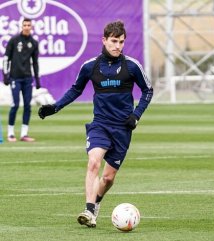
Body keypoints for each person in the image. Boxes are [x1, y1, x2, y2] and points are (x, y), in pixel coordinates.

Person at [38, 20, 153, 228]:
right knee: (93, 162)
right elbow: (75, 90)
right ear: (104, 40)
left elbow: (148, 90)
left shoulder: (132, 66)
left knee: (108, 179)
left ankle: (96, 203)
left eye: (121, 42)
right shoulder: (91, 66)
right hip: (100, 124)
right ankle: (89, 211)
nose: (118, 46)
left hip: (123, 129)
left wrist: (136, 115)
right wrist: (55, 107)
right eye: (114, 41)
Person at [2, 18, 41, 142]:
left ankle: (24, 134)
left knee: (28, 106)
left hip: (27, 78)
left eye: (29, 25)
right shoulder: (14, 40)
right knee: (15, 104)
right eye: (25, 25)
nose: (27, 27)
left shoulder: (34, 43)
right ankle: (11, 133)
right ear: (21, 26)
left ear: (31, 27)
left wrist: (37, 79)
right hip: (15, 78)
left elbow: (35, 63)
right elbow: (6, 58)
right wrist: (5, 75)